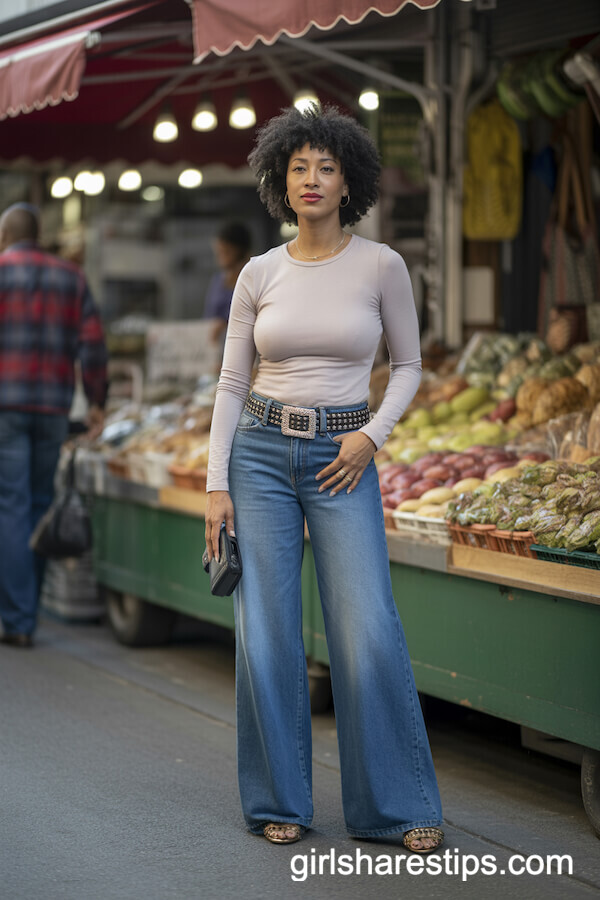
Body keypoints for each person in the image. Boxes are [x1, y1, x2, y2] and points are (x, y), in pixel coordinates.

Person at [204, 105, 444, 851]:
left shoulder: (381, 266)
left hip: (347, 459)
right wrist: (217, 485)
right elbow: (230, 384)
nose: (312, 179)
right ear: (282, 178)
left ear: (349, 182)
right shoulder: (258, 272)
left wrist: (373, 437)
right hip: (260, 455)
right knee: (267, 633)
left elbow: (408, 366)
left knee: (367, 626)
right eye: (299, 166)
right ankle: (281, 801)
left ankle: (396, 808)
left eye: (326, 167)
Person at [0, 203, 108, 648]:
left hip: (6, 407)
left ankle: (19, 618)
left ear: (6, 235)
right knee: (40, 502)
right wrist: (97, 400)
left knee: (11, 505)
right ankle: (28, 610)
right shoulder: (72, 277)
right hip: (53, 409)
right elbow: (94, 343)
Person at [203, 222, 252, 347]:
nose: (219, 257)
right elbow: (209, 317)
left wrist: (226, 324)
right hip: (218, 347)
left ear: (240, 250)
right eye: (218, 252)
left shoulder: (255, 279)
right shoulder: (217, 281)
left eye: (225, 252)